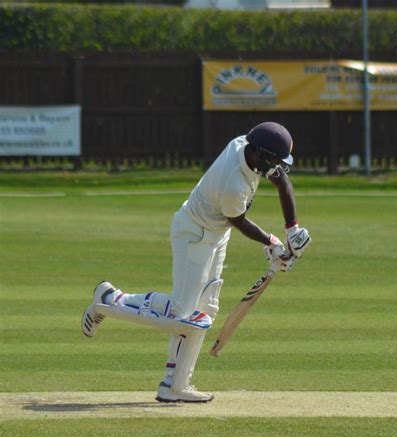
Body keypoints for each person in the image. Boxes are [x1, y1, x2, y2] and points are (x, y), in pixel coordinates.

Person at [81, 121, 311, 403]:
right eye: (274, 159)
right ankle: (109, 297)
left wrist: (293, 230)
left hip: (215, 235)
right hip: (194, 234)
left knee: (206, 310)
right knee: (182, 312)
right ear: (261, 154)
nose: (277, 165)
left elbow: (281, 180)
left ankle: (174, 385)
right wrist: (273, 243)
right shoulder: (234, 183)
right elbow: (237, 220)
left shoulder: (248, 146)